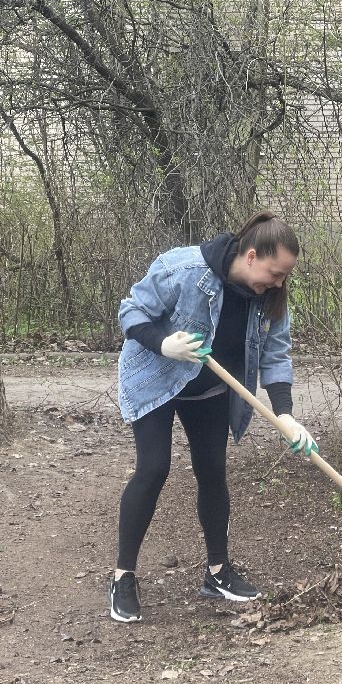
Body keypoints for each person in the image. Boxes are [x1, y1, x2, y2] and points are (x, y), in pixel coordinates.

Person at [109, 210, 317, 623]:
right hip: (157, 378)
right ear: (252, 256)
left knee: (212, 470)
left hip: (210, 389)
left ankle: (217, 573)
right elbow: (131, 312)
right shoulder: (183, 268)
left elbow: (276, 356)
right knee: (154, 468)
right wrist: (164, 343)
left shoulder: (270, 298)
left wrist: (287, 415)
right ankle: (123, 576)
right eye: (274, 273)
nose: (278, 284)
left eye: (284, 277)